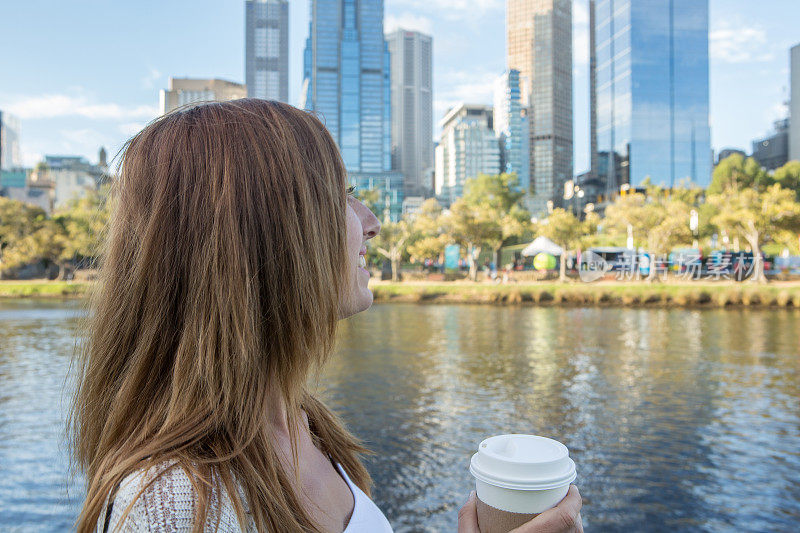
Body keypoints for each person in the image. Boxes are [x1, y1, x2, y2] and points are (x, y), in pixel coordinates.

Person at [69, 99, 582, 532]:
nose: (372, 223)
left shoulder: (302, 421)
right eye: (342, 196)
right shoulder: (175, 503)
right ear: (265, 236)